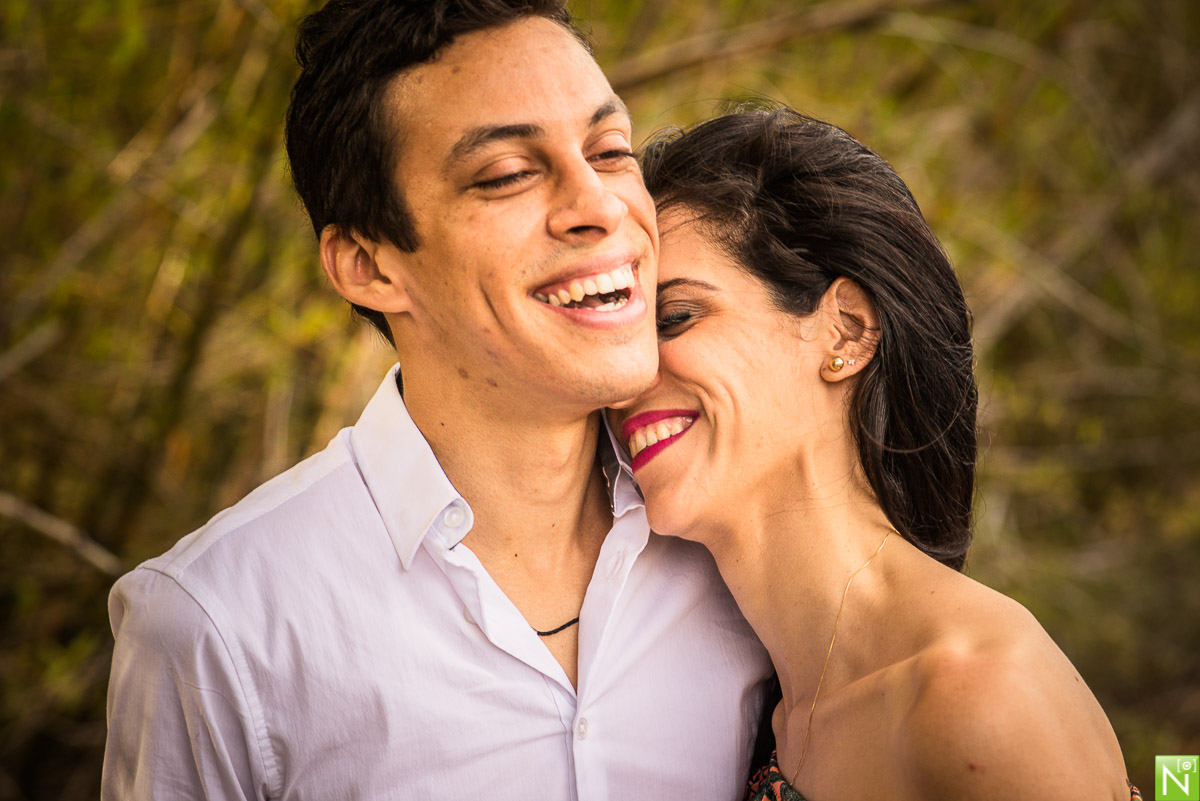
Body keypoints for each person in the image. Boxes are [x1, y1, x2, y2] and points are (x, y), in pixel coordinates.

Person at [101, 2, 772, 798]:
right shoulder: (215, 624)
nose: (599, 205)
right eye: (507, 175)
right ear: (367, 263)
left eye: (609, 150)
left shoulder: (738, 535)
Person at [609, 108, 1138, 801]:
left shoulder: (977, 693)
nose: (624, 374)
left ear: (846, 331)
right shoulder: (750, 702)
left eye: (674, 316)